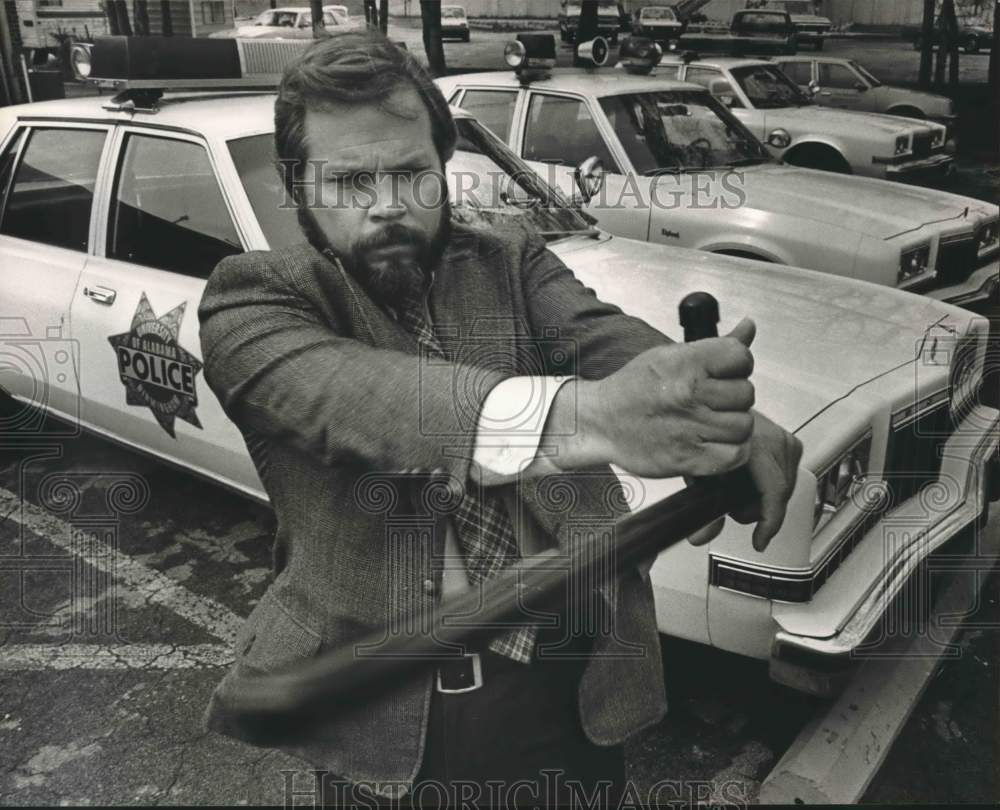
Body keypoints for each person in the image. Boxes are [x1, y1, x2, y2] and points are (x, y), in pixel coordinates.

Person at [198, 30, 803, 808]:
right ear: (297, 185)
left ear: (443, 165)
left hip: (574, 681)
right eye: (349, 181)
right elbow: (362, 403)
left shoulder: (510, 261)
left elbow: (601, 337)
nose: (387, 207)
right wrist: (597, 420)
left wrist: (702, 409)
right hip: (389, 724)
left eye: (412, 173)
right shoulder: (253, 299)